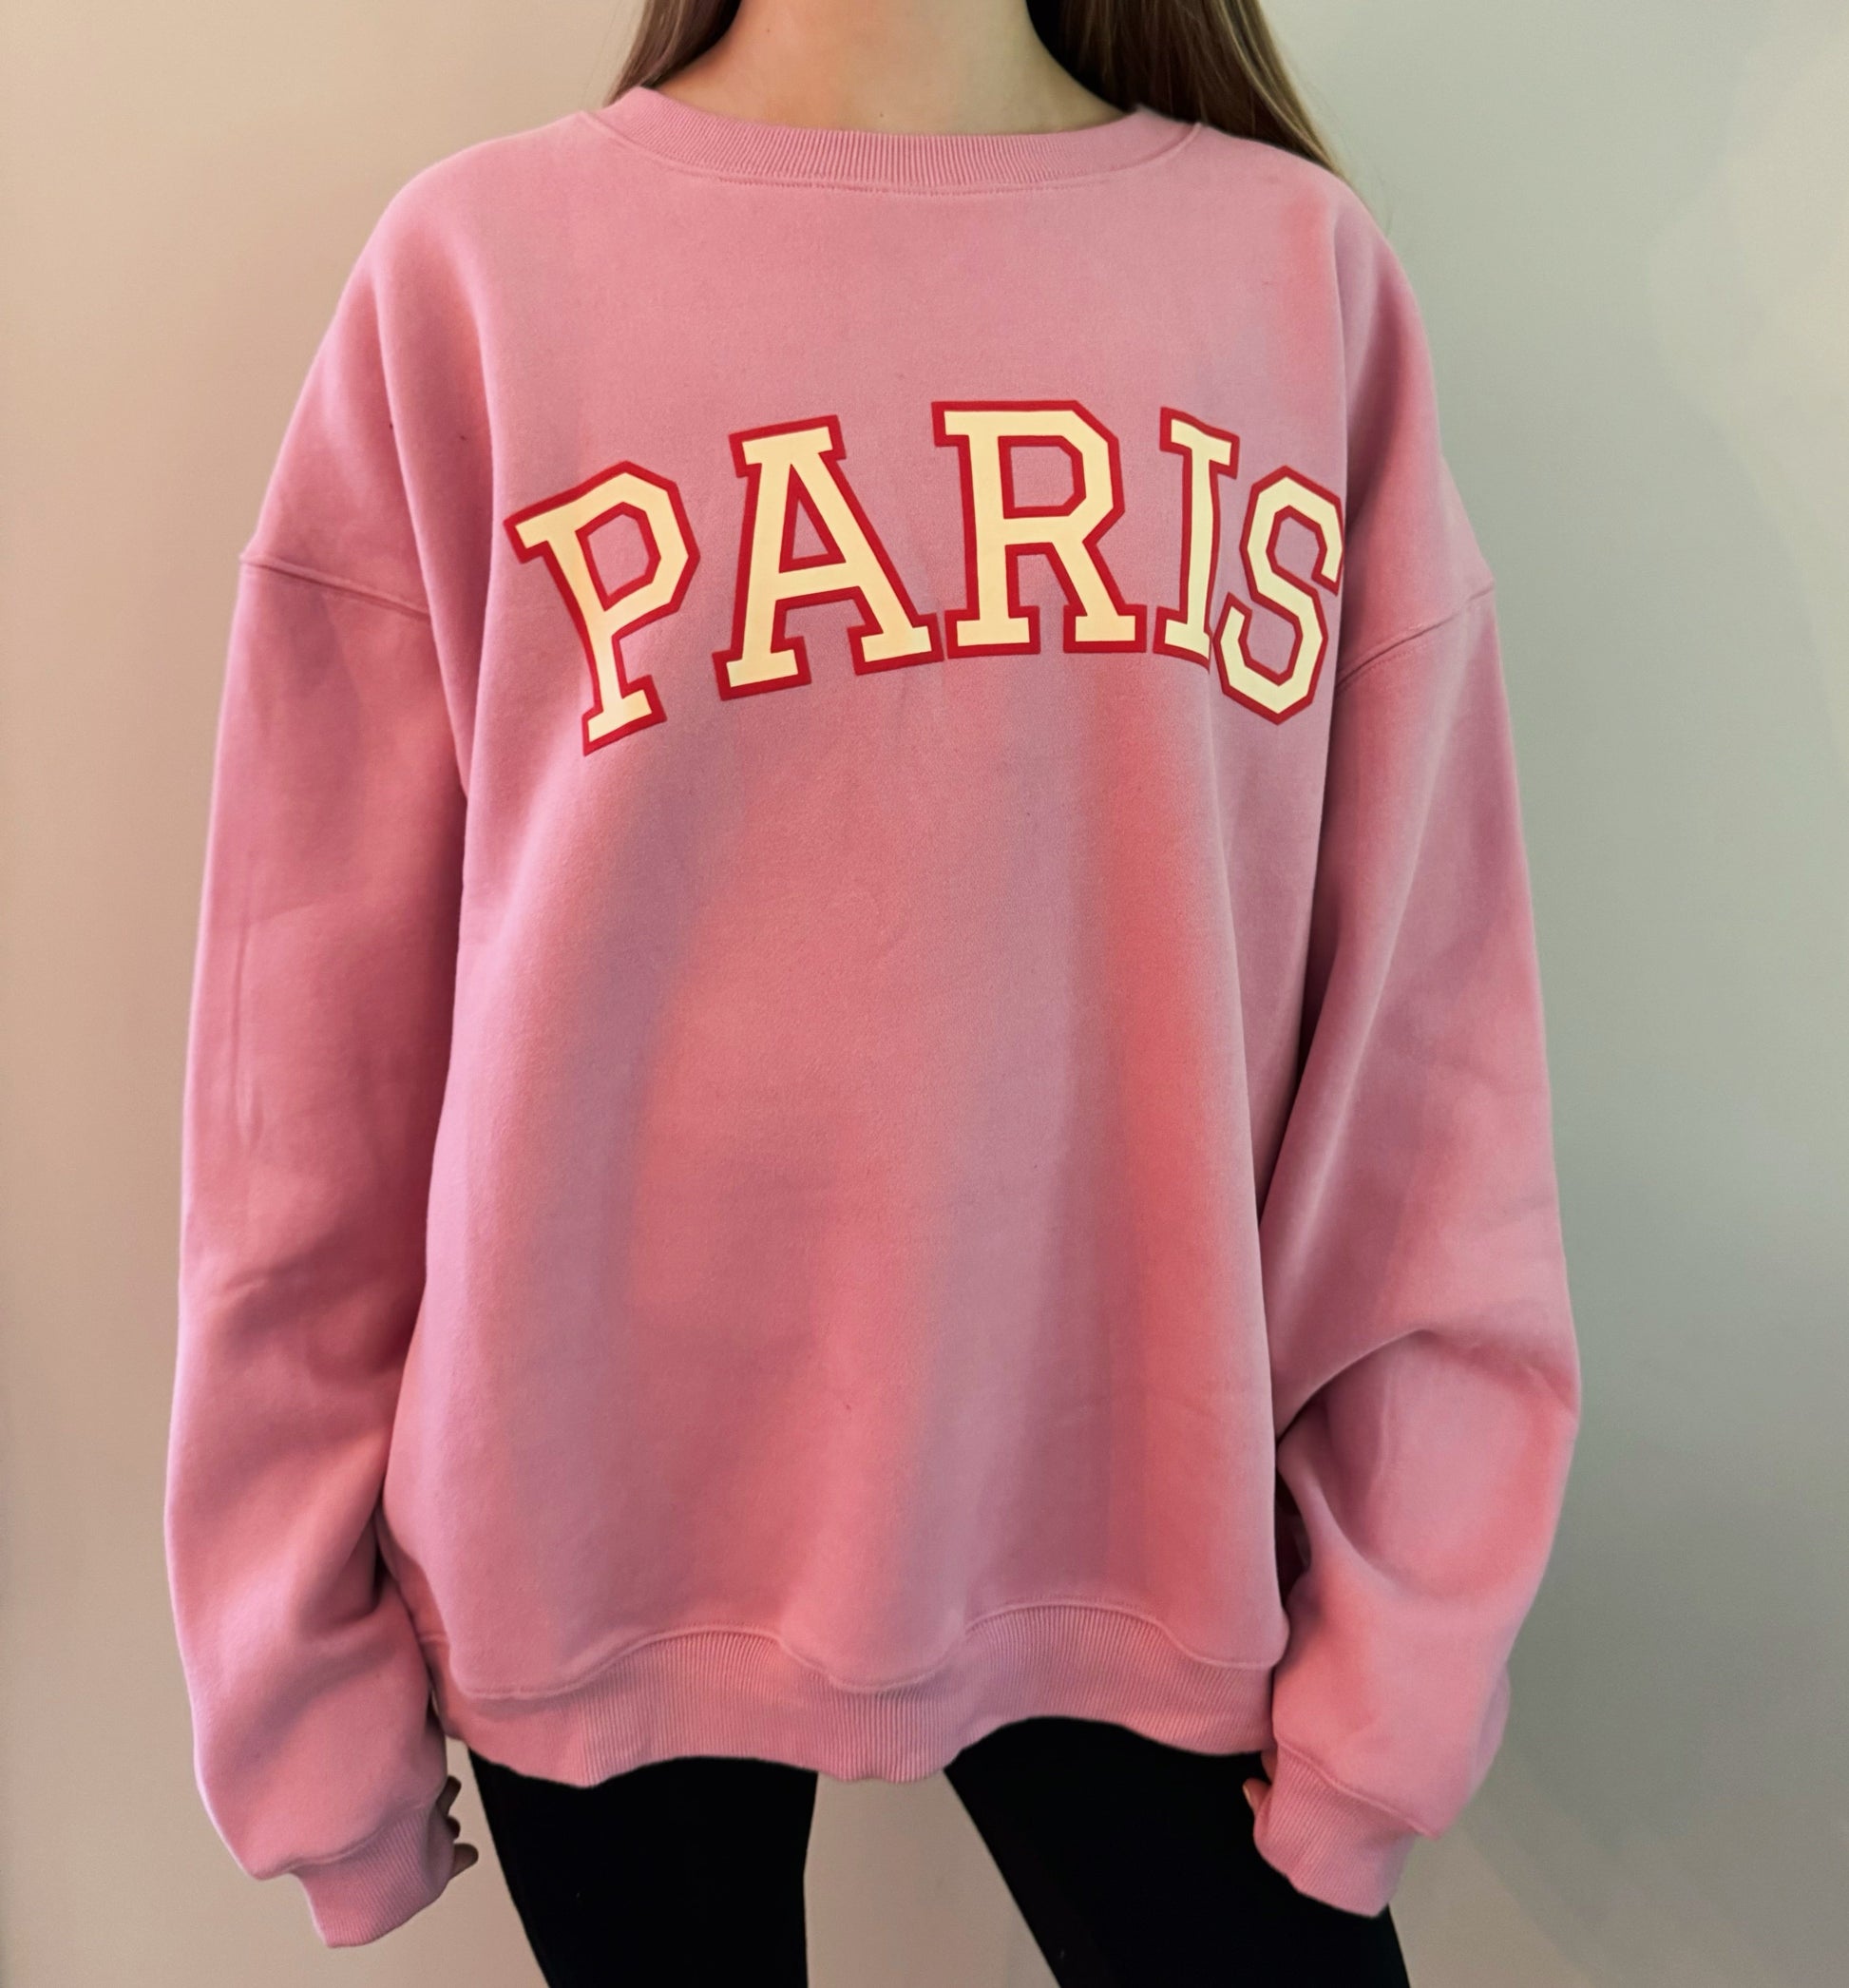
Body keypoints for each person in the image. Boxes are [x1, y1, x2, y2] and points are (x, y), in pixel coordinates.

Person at [162, 0, 1583, 1980]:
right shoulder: (475, 277)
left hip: (1151, 1527)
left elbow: (1423, 1045)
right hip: (597, 1542)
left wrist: (1405, 1651)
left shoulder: (1289, 275)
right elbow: (314, 1065)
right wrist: (295, 1675)